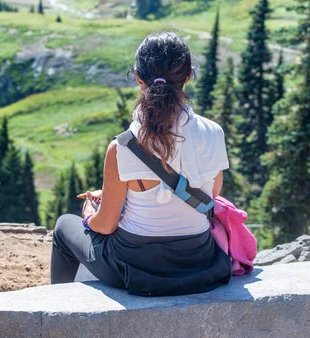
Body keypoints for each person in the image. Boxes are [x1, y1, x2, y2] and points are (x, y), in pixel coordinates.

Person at [50, 31, 232, 296]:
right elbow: (210, 195)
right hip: (199, 261)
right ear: (189, 76)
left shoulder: (122, 146)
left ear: (138, 76)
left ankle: (56, 310)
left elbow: (106, 226)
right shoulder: (214, 132)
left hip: (138, 267)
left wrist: (89, 213)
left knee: (63, 227)